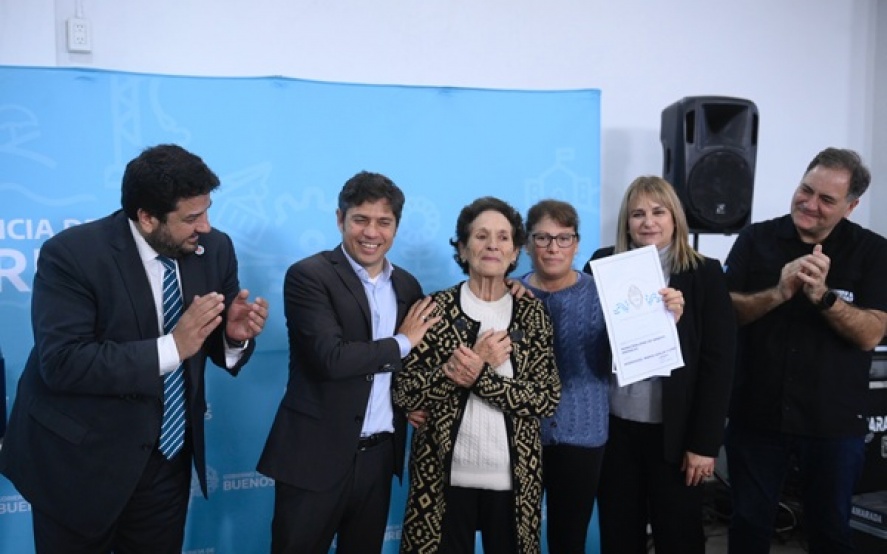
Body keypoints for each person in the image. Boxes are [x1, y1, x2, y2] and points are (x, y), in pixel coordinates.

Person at [0, 144, 269, 553]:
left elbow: (210, 346)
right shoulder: (72, 255)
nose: (206, 226)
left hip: (165, 461)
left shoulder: (214, 249)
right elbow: (63, 362)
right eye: (191, 218)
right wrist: (173, 347)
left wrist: (232, 336)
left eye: (207, 211)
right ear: (147, 217)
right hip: (77, 465)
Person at [256, 171, 438, 554]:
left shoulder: (407, 286)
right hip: (314, 456)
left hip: (379, 458)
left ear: (396, 227)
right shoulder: (309, 276)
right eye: (360, 219)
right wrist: (402, 341)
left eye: (383, 222)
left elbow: (414, 362)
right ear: (340, 219)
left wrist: (513, 285)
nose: (371, 232)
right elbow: (332, 359)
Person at [724, 147, 887, 554]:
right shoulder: (755, 238)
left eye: (827, 199)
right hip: (756, 415)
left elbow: (871, 334)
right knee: (747, 527)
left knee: (830, 532)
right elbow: (725, 313)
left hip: (833, 422)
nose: (810, 204)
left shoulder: (874, 251)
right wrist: (778, 293)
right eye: (806, 189)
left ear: (851, 206)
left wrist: (824, 298)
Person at [393, 196, 561, 554]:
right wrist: (460, 369)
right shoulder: (432, 310)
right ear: (463, 248)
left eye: (503, 237)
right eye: (481, 236)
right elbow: (405, 392)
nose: (492, 245)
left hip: (514, 483)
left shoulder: (532, 313)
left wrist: (479, 376)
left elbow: (546, 398)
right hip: (440, 482)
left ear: (515, 252)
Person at [586, 176, 736, 554]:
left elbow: (718, 366)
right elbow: (584, 337)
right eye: (638, 214)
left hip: (677, 435)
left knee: (679, 536)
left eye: (658, 212)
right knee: (619, 535)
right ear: (626, 222)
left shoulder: (705, 273)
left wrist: (704, 444)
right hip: (615, 430)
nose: (648, 222)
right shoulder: (602, 264)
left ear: (675, 218)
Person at [519, 199, 609, 553]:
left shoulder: (603, 293)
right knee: (516, 536)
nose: (553, 247)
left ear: (576, 243)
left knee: (569, 540)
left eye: (563, 238)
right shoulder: (508, 293)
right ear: (527, 244)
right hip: (521, 435)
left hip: (583, 435)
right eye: (542, 238)